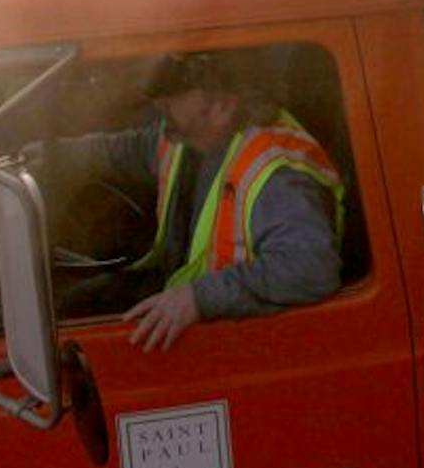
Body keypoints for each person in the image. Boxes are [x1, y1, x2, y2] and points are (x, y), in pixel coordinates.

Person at [37, 50, 345, 353]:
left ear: (221, 106)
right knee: (69, 305)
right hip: (183, 298)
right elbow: (127, 150)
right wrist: (50, 156)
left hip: (234, 342)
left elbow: (312, 268)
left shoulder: (276, 175)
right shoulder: (193, 138)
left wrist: (199, 298)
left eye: (173, 97)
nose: (159, 104)